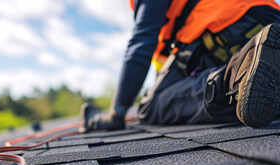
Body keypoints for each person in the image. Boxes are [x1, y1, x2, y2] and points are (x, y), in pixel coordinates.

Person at [82, 0, 280, 132]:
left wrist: (117, 111)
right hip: (266, 19)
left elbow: (141, 43)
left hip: (229, 27)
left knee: (150, 107)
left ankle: (238, 78)